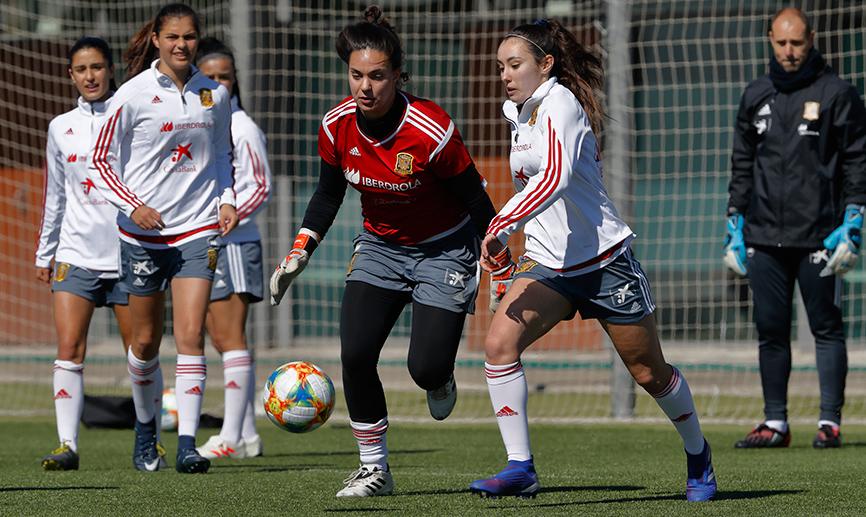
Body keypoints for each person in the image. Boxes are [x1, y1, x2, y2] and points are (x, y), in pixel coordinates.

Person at [468, 20, 716, 502]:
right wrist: (507, 255)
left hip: (604, 262)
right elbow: (534, 192)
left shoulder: (561, 104)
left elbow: (556, 178)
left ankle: (698, 453)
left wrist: (502, 223)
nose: (505, 74)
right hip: (548, 265)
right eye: (500, 66)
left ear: (546, 64)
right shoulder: (517, 111)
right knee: (498, 345)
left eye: (514, 64)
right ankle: (520, 467)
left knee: (649, 373)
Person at [269, 4, 497, 498]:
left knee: (425, 370)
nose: (365, 87)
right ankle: (375, 469)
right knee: (355, 353)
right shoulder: (336, 127)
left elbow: (477, 199)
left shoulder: (431, 130)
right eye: (356, 76)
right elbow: (328, 194)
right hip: (379, 246)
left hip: (445, 251)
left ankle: (441, 377)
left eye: (376, 76)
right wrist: (300, 250)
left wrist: (496, 260)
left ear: (398, 75)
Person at [87, 3, 238, 474]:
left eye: (189, 37)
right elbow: (101, 161)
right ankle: (146, 430)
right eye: (172, 37)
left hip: (198, 229)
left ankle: (189, 444)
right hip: (143, 237)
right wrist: (134, 206)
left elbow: (222, 155)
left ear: (198, 39)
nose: (181, 45)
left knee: (191, 336)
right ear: (156, 38)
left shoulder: (215, 94)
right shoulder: (131, 95)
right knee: (147, 343)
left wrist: (228, 199)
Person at [725, 7, 866, 450]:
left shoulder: (837, 93)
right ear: (770, 38)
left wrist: (854, 218)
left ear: (811, 40)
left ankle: (829, 421)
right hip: (763, 235)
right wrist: (734, 220)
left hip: (821, 235)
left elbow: (857, 161)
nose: (789, 51)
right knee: (770, 328)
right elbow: (743, 163)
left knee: (826, 326)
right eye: (781, 42)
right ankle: (775, 423)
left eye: (797, 43)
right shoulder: (755, 94)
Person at [35, 37, 166, 471]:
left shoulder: (130, 112)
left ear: (110, 71)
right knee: (69, 347)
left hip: (129, 253)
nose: (90, 76)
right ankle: (67, 445)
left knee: (142, 351)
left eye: (97, 67)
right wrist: (45, 252)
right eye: (81, 69)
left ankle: (149, 442)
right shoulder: (60, 127)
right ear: (70, 74)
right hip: (75, 253)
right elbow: (55, 194)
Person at [194, 37, 272, 460]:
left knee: (230, 335)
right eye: (211, 76)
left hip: (236, 245)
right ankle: (247, 435)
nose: (219, 84)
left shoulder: (241, 127)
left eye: (226, 76)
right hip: (203, 246)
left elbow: (261, 185)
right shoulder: (201, 125)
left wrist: (230, 218)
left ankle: (229, 437)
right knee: (219, 339)